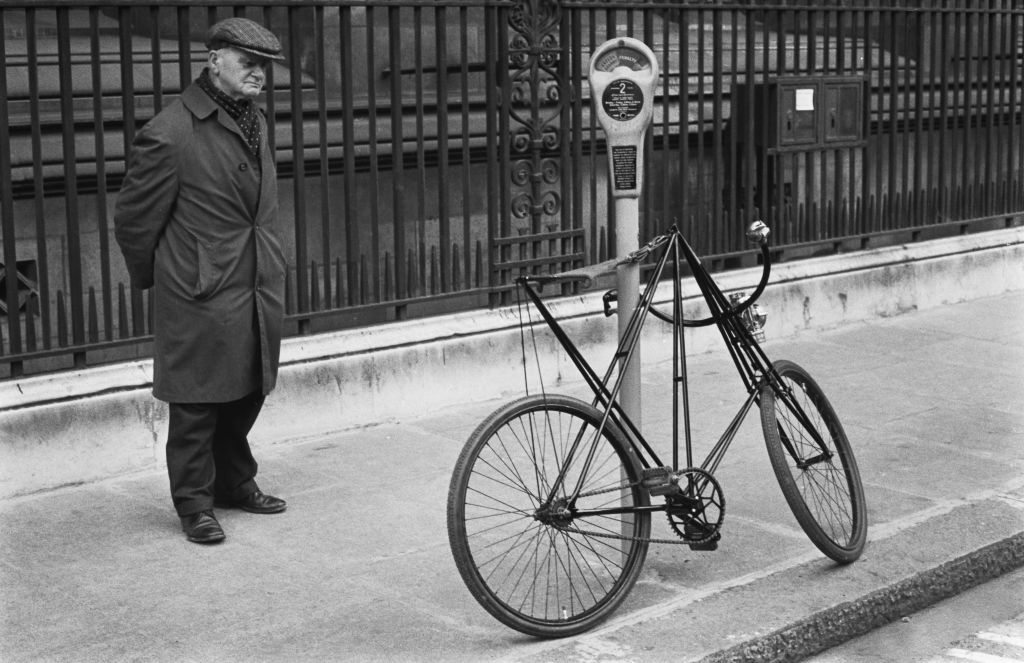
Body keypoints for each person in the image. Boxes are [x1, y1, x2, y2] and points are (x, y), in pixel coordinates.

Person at [114, 17, 289, 544]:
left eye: (265, 66)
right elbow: (133, 219)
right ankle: (194, 504)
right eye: (248, 63)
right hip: (198, 286)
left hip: (255, 276)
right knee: (196, 401)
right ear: (213, 60)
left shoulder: (252, 118)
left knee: (250, 385)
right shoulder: (170, 131)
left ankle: (234, 480)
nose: (260, 74)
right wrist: (166, 278)